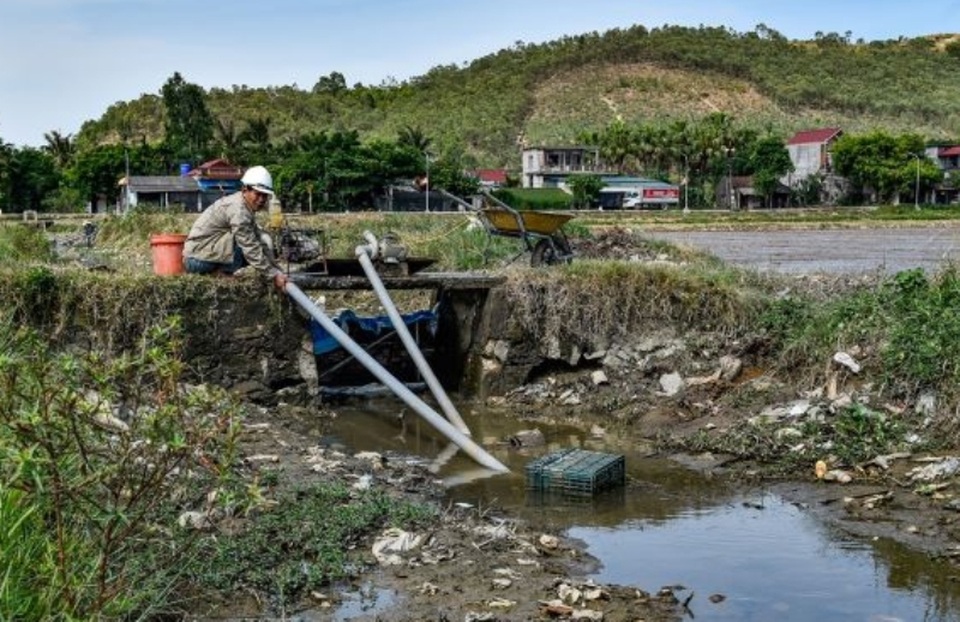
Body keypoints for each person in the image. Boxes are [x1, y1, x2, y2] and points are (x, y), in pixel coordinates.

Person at [183, 165, 288, 290]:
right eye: (257, 194)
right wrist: (273, 275)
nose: (261, 199)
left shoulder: (245, 206)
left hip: (201, 255)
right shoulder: (239, 210)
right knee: (245, 245)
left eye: (264, 196)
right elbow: (249, 246)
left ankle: (220, 271)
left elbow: (259, 241)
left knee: (255, 243)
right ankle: (218, 273)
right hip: (196, 260)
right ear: (245, 190)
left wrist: (277, 270)